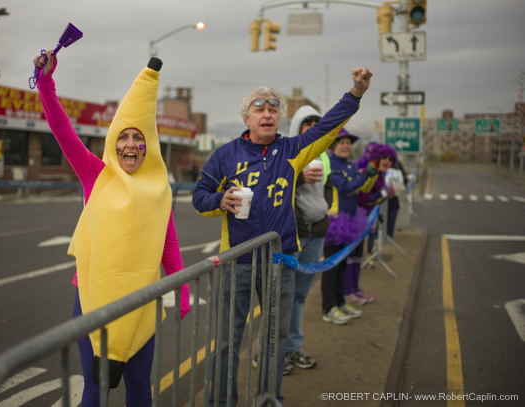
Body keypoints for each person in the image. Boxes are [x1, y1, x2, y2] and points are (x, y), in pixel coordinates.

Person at [193, 67, 372, 406]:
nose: (268, 114)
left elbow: (326, 127)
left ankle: (269, 398)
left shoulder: (293, 149)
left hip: (280, 262)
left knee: (275, 339)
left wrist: (355, 94)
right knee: (228, 340)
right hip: (238, 262)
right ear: (247, 117)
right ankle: (222, 402)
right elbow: (199, 196)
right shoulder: (226, 155)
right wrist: (221, 200)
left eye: (273, 108)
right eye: (260, 108)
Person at [34, 51, 191, 407]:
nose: (130, 145)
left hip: (143, 299)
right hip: (91, 296)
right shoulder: (95, 174)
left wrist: (180, 288)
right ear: (112, 143)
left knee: (139, 385)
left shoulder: (159, 189)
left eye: (139, 137)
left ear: (148, 146)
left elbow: (167, 242)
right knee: (96, 386)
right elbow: (61, 130)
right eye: (123, 137)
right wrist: (46, 82)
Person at [283, 106, 334, 372]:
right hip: (294, 235)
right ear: (297, 127)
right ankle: (268, 351)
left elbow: (328, 187)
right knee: (282, 295)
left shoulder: (323, 156)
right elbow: (276, 185)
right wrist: (299, 178)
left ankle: (292, 348)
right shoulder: (287, 153)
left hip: (316, 233)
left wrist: (324, 209)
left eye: (317, 121)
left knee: (300, 295)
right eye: (307, 122)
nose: (313, 125)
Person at [322, 128, 378, 324]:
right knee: (331, 267)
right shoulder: (330, 164)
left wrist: (371, 174)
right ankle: (328, 308)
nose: (346, 146)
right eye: (341, 142)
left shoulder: (350, 165)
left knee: (343, 266)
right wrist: (365, 175)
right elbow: (346, 189)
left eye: (348, 143)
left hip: (351, 222)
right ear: (333, 145)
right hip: (335, 223)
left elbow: (361, 188)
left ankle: (340, 302)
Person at [346, 143, 398, 305]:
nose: (387, 161)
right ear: (375, 157)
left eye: (390, 159)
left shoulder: (379, 173)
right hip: (352, 218)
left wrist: (383, 195)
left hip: (363, 219)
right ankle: (348, 292)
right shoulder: (367, 170)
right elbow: (363, 199)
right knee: (350, 257)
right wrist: (383, 194)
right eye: (384, 157)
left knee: (357, 257)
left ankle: (355, 289)